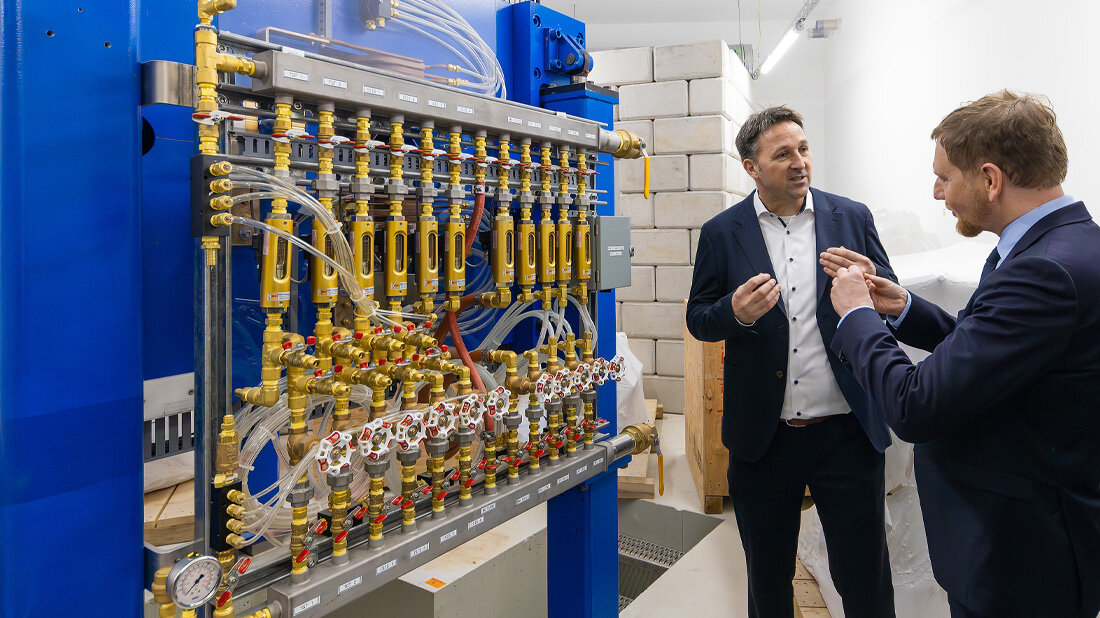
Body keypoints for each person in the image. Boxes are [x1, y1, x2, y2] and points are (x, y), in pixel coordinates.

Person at [827, 90, 1100, 618]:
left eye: (946, 177)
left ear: (991, 179)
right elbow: (994, 352)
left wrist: (856, 316)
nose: (936, 193)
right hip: (1029, 545)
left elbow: (916, 404)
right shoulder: (1060, 246)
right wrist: (902, 307)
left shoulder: (1042, 270)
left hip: (1020, 559)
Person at [685, 105, 896, 618]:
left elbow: (890, 302)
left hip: (847, 432)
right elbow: (698, 319)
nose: (799, 162)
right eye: (782, 154)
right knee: (768, 578)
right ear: (751, 167)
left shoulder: (852, 217)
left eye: (803, 149)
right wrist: (733, 313)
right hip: (765, 439)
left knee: (864, 578)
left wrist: (871, 285)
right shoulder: (721, 232)